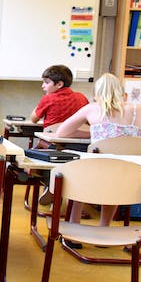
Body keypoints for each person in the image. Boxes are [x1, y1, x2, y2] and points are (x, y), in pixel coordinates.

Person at [54, 73, 141, 244]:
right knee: (116, 175)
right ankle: (105, 227)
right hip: (130, 179)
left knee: (79, 174)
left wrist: (92, 132)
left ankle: (74, 226)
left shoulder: (92, 108)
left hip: (94, 177)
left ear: (96, 95)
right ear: (123, 93)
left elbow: (62, 132)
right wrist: (137, 137)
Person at [30, 65, 89, 206]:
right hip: (79, 148)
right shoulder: (81, 98)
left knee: (32, 157)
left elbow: (33, 119)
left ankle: (50, 182)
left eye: (46, 82)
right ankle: (72, 198)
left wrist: (42, 102)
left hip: (52, 145)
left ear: (59, 84)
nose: (43, 86)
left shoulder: (48, 99)